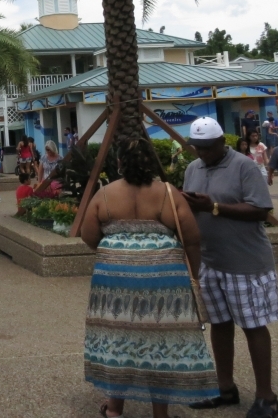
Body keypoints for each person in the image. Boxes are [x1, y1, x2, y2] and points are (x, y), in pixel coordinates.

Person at [81, 137, 218, 418]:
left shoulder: (105, 194)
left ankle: (115, 409)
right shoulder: (168, 193)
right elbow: (192, 239)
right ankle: (160, 414)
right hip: (164, 283)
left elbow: (89, 236)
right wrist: (193, 274)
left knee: (118, 339)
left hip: (115, 283)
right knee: (162, 343)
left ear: (119, 163)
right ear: (152, 163)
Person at [181, 117, 278, 418]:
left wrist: (213, 206)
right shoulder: (192, 168)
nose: (202, 153)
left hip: (245, 263)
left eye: (207, 148)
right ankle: (225, 388)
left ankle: (267, 396)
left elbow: (261, 210)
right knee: (220, 325)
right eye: (197, 147)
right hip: (210, 261)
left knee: (253, 326)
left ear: (222, 142)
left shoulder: (244, 166)